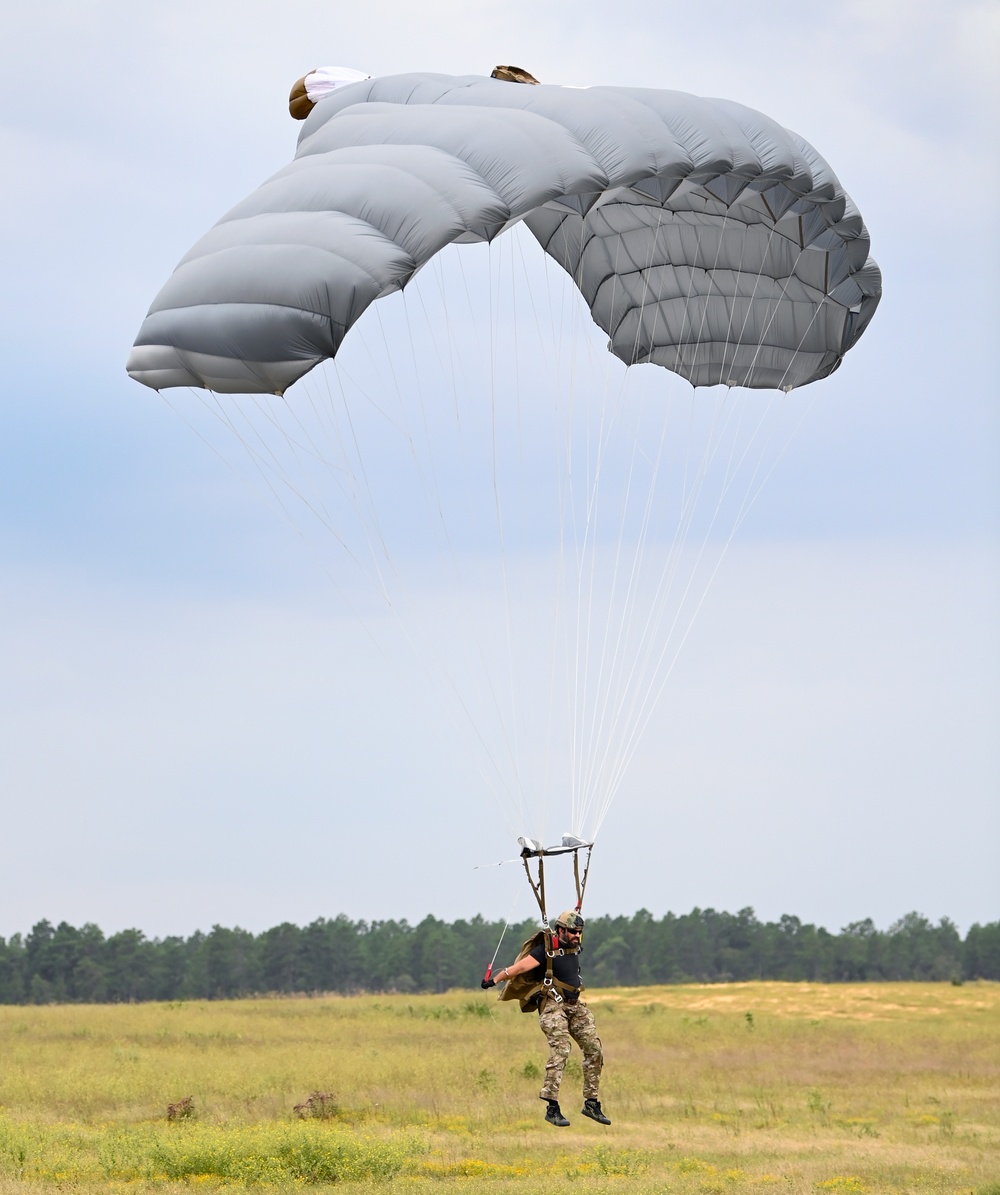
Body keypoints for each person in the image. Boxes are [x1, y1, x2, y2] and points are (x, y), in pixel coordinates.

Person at [483, 909, 610, 1127]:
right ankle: (552, 1107)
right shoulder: (546, 951)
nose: (576, 937)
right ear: (560, 930)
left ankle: (591, 1103)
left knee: (594, 1050)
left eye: (579, 932)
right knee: (561, 1050)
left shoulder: (574, 946)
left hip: (574, 1006)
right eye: (572, 932)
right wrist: (494, 980)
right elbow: (519, 967)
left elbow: (574, 917)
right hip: (553, 1006)